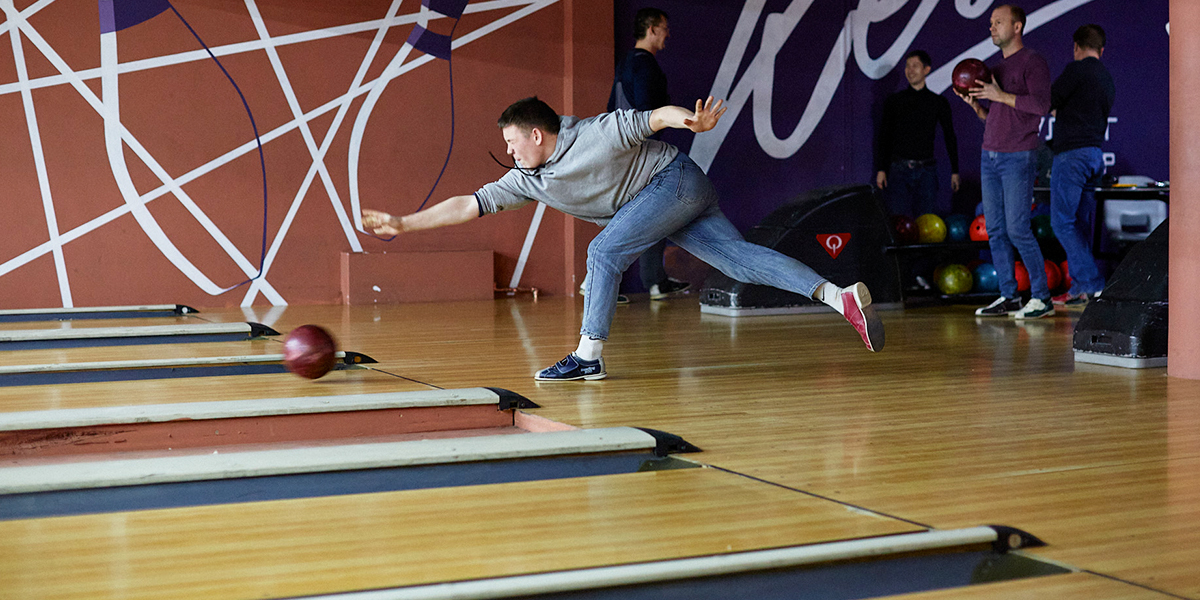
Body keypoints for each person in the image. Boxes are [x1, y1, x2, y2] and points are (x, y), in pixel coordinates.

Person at [362, 96, 884, 381]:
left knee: (602, 249)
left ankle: (588, 355)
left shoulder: (592, 133)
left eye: (511, 141)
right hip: (666, 205)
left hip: (674, 181)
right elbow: (468, 204)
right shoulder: (527, 178)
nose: (509, 150)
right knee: (738, 262)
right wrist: (405, 223)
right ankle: (838, 297)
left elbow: (654, 118)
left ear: (537, 135)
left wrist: (692, 122)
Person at [956, 4, 1054, 319]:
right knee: (995, 230)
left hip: (1018, 156)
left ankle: (1041, 297)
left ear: (1017, 27)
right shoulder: (996, 69)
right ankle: (1008, 296)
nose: (992, 27)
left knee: (1017, 229)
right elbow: (998, 117)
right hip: (991, 153)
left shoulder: (1033, 61)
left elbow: (1040, 105)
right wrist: (978, 108)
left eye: (998, 22)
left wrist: (1001, 97)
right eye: (990, 23)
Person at [604, 6, 689, 301]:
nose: (668, 34)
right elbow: (647, 114)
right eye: (664, 28)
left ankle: (654, 280)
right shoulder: (645, 65)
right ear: (651, 29)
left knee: (645, 213)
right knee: (648, 212)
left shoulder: (627, 62)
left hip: (624, 151)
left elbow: (612, 109)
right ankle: (595, 282)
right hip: (641, 153)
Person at [1048, 24, 1114, 306]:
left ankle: (1091, 282)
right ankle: (1079, 288)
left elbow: (1048, 102)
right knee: (1080, 225)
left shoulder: (1076, 70)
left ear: (1076, 46)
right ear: (1103, 49)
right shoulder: (1107, 77)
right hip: (1094, 156)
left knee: (1062, 222)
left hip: (1072, 155)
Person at [875, 49, 960, 217]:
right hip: (898, 170)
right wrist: (881, 169)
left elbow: (950, 136)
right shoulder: (894, 101)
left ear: (926, 70)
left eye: (915, 66)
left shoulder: (938, 102)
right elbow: (884, 137)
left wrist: (955, 170)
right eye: (907, 66)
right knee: (898, 223)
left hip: (926, 171)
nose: (910, 70)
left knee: (926, 224)